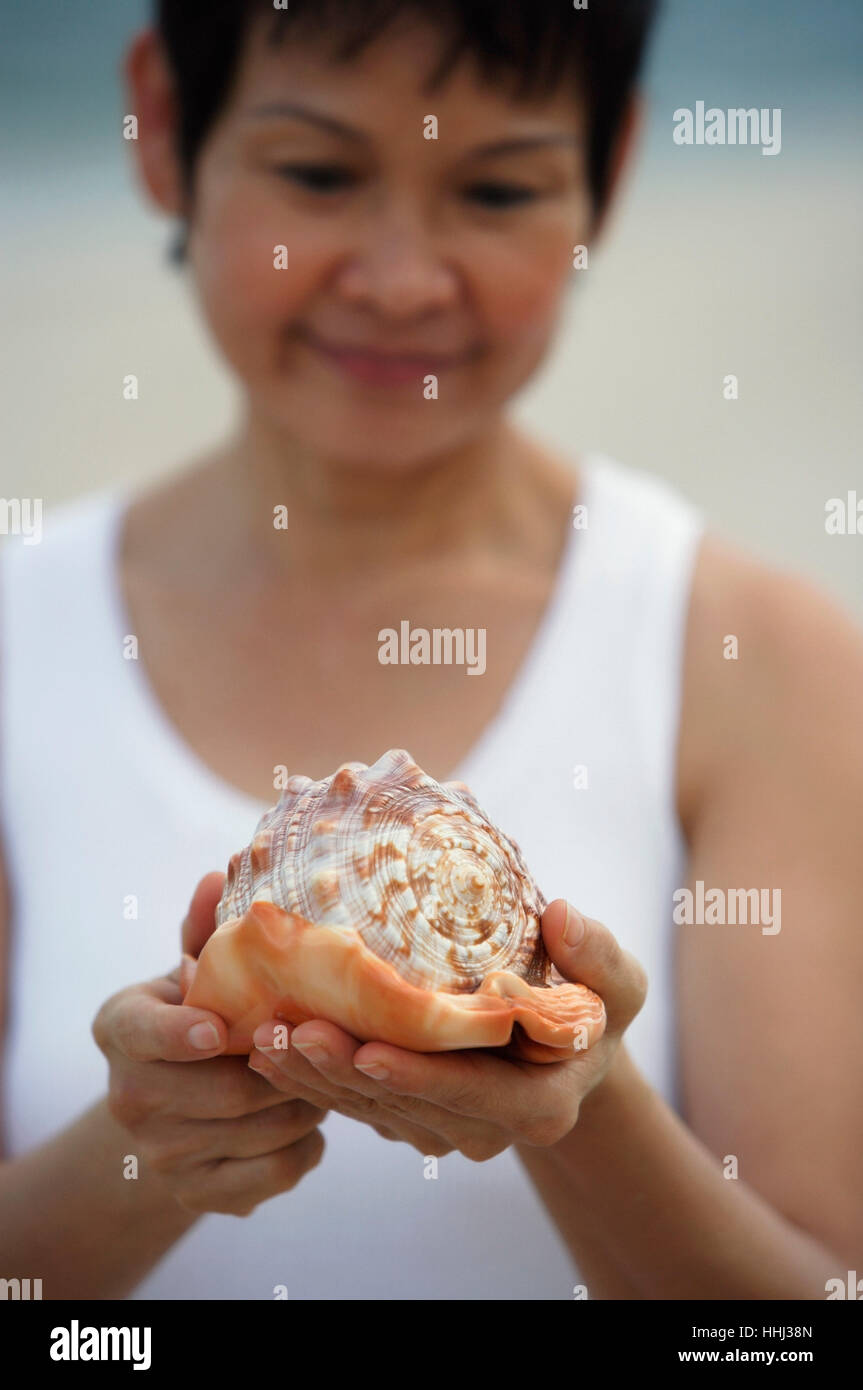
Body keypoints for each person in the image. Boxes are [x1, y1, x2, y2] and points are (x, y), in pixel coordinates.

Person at [1, 0, 860, 1300]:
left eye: (500, 187)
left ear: (608, 173)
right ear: (165, 126)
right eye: (319, 173)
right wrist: (148, 1151)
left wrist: (582, 1099)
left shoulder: (757, 656)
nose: (402, 279)